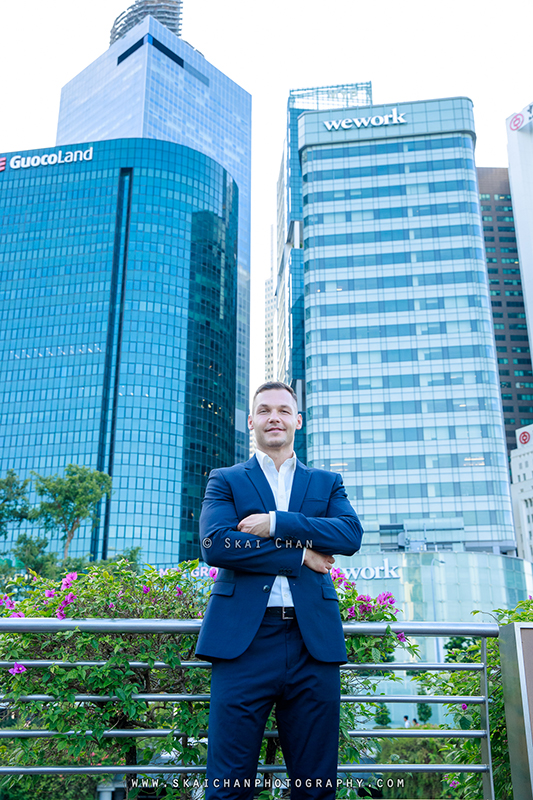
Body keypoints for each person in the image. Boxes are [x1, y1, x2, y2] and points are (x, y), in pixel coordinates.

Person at [196, 381, 363, 800]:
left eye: (284, 411)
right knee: (228, 786)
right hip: (241, 646)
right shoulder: (226, 480)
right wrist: (301, 556)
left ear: (298, 421)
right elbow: (217, 544)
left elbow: (348, 535)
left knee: (316, 786)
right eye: (265, 410)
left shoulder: (327, 483)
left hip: (314, 646)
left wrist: (276, 523)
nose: (275, 417)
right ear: (250, 421)